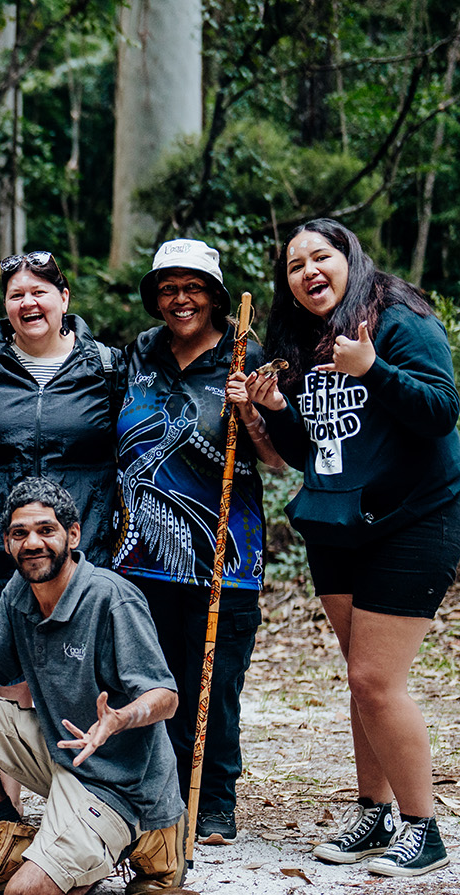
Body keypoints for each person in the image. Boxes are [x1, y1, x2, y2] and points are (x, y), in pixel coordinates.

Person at [244, 218, 460, 878]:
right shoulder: (300, 342)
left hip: (411, 518)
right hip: (337, 524)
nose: (308, 271)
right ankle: (375, 810)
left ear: (349, 258)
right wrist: (277, 410)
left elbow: (441, 409)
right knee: (361, 679)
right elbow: (310, 455)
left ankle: (423, 827)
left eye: (321, 256)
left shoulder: (397, 316)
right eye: (293, 265)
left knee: (375, 680)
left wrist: (374, 369)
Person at [0, 478, 186, 895]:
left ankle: (141, 836)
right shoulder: (19, 591)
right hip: (58, 750)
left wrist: (119, 719)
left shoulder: (111, 597)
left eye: (46, 530)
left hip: (116, 780)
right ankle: (11, 832)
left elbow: (165, 695)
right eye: (20, 533)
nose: (33, 542)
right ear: (7, 543)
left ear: (73, 534)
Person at [0, 250, 120, 826]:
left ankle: (86, 796)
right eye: (16, 294)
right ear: (5, 307)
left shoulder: (108, 368)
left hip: (77, 551)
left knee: (75, 673)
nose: (28, 302)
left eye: (40, 291)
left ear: (65, 299)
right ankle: (6, 807)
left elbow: (125, 455)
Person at [114, 239, 285, 845]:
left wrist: (255, 412)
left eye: (192, 287)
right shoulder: (139, 354)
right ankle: (155, 795)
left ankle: (212, 801)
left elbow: (280, 460)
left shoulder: (247, 358)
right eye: (168, 288)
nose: (180, 299)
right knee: (149, 683)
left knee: (214, 682)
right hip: (140, 559)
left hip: (223, 556)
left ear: (215, 296)